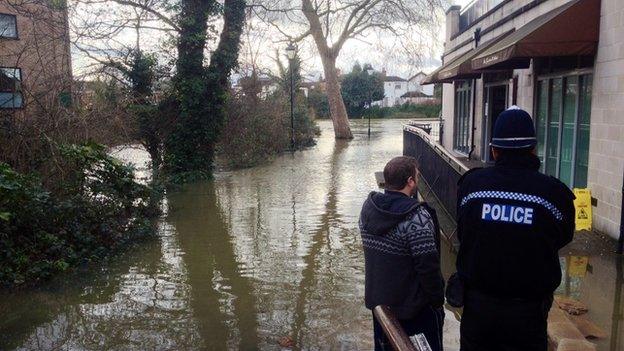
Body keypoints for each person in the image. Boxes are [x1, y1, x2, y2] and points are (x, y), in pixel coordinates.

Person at [456, 106, 575, 351]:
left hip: (479, 312)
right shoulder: (553, 194)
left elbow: (464, 231)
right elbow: (562, 237)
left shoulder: (472, 186)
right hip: (528, 315)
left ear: (494, 150)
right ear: (533, 149)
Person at [359, 156, 445, 351]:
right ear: (410, 182)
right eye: (417, 176)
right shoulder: (417, 218)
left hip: (381, 310)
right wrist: (438, 303)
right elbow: (428, 269)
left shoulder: (368, 210)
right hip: (414, 313)